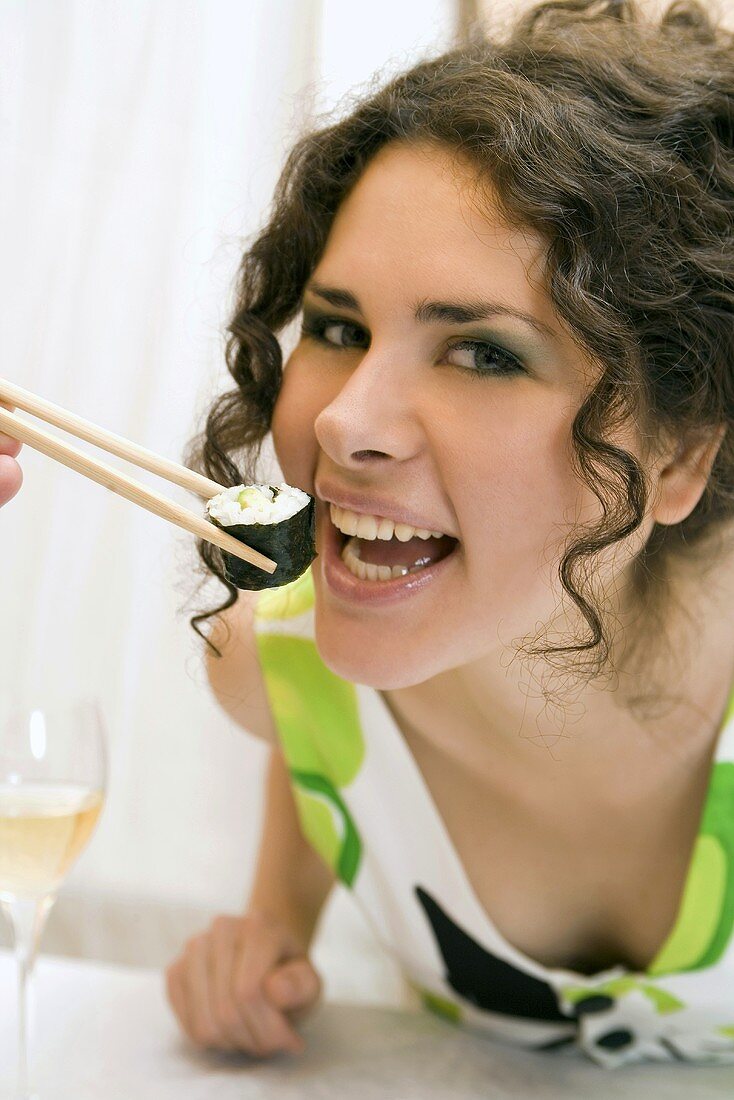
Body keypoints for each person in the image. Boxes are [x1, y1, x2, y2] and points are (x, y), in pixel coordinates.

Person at [166, 0, 734, 1069]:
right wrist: (269, 929)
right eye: (336, 328)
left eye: (481, 352)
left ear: (676, 457)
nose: (342, 419)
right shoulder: (272, 661)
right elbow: (322, 726)